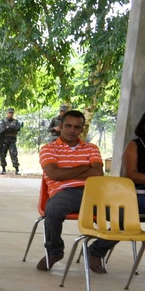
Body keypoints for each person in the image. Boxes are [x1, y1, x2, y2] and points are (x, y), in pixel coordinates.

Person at [36, 109, 104, 272]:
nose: (72, 130)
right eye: (68, 126)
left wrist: (66, 171)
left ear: (82, 129)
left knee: (126, 215)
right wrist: (83, 166)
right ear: (61, 126)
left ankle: (96, 251)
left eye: (77, 127)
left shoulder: (91, 148)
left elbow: (98, 172)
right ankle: (54, 251)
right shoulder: (49, 149)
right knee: (53, 209)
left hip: (93, 194)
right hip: (64, 194)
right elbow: (54, 174)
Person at [85, 110, 145, 271]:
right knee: (125, 216)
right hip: (137, 195)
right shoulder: (136, 145)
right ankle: (96, 250)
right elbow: (131, 174)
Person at [0, 108, 21, 174]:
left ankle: (17, 169)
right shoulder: (3, 121)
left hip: (12, 141)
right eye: (9, 113)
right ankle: (3, 169)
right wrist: (9, 128)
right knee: (2, 155)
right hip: (4, 141)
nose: (10, 114)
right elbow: (2, 129)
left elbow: (18, 128)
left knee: (14, 155)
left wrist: (11, 127)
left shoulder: (16, 121)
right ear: (7, 113)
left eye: (12, 113)